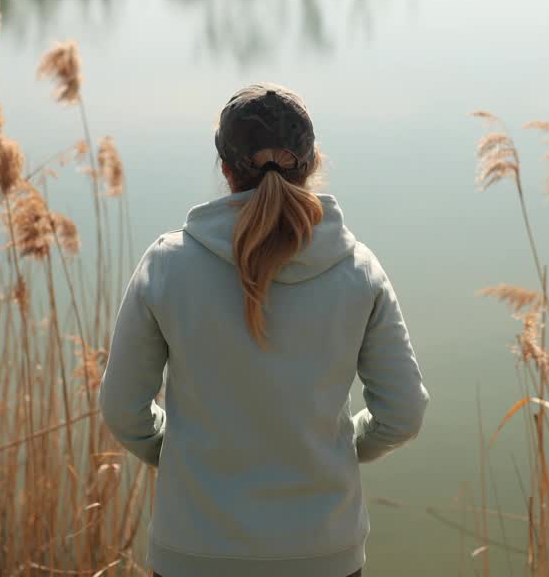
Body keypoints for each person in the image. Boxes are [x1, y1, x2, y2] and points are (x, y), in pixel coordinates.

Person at [99, 83, 430, 577]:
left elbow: (123, 409)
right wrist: (339, 447)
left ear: (226, 168)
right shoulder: (358, 271)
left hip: (194, 551)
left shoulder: (168, 265)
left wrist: (180, 455)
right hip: (325, 554)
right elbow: (403, 414)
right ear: (312, 161)